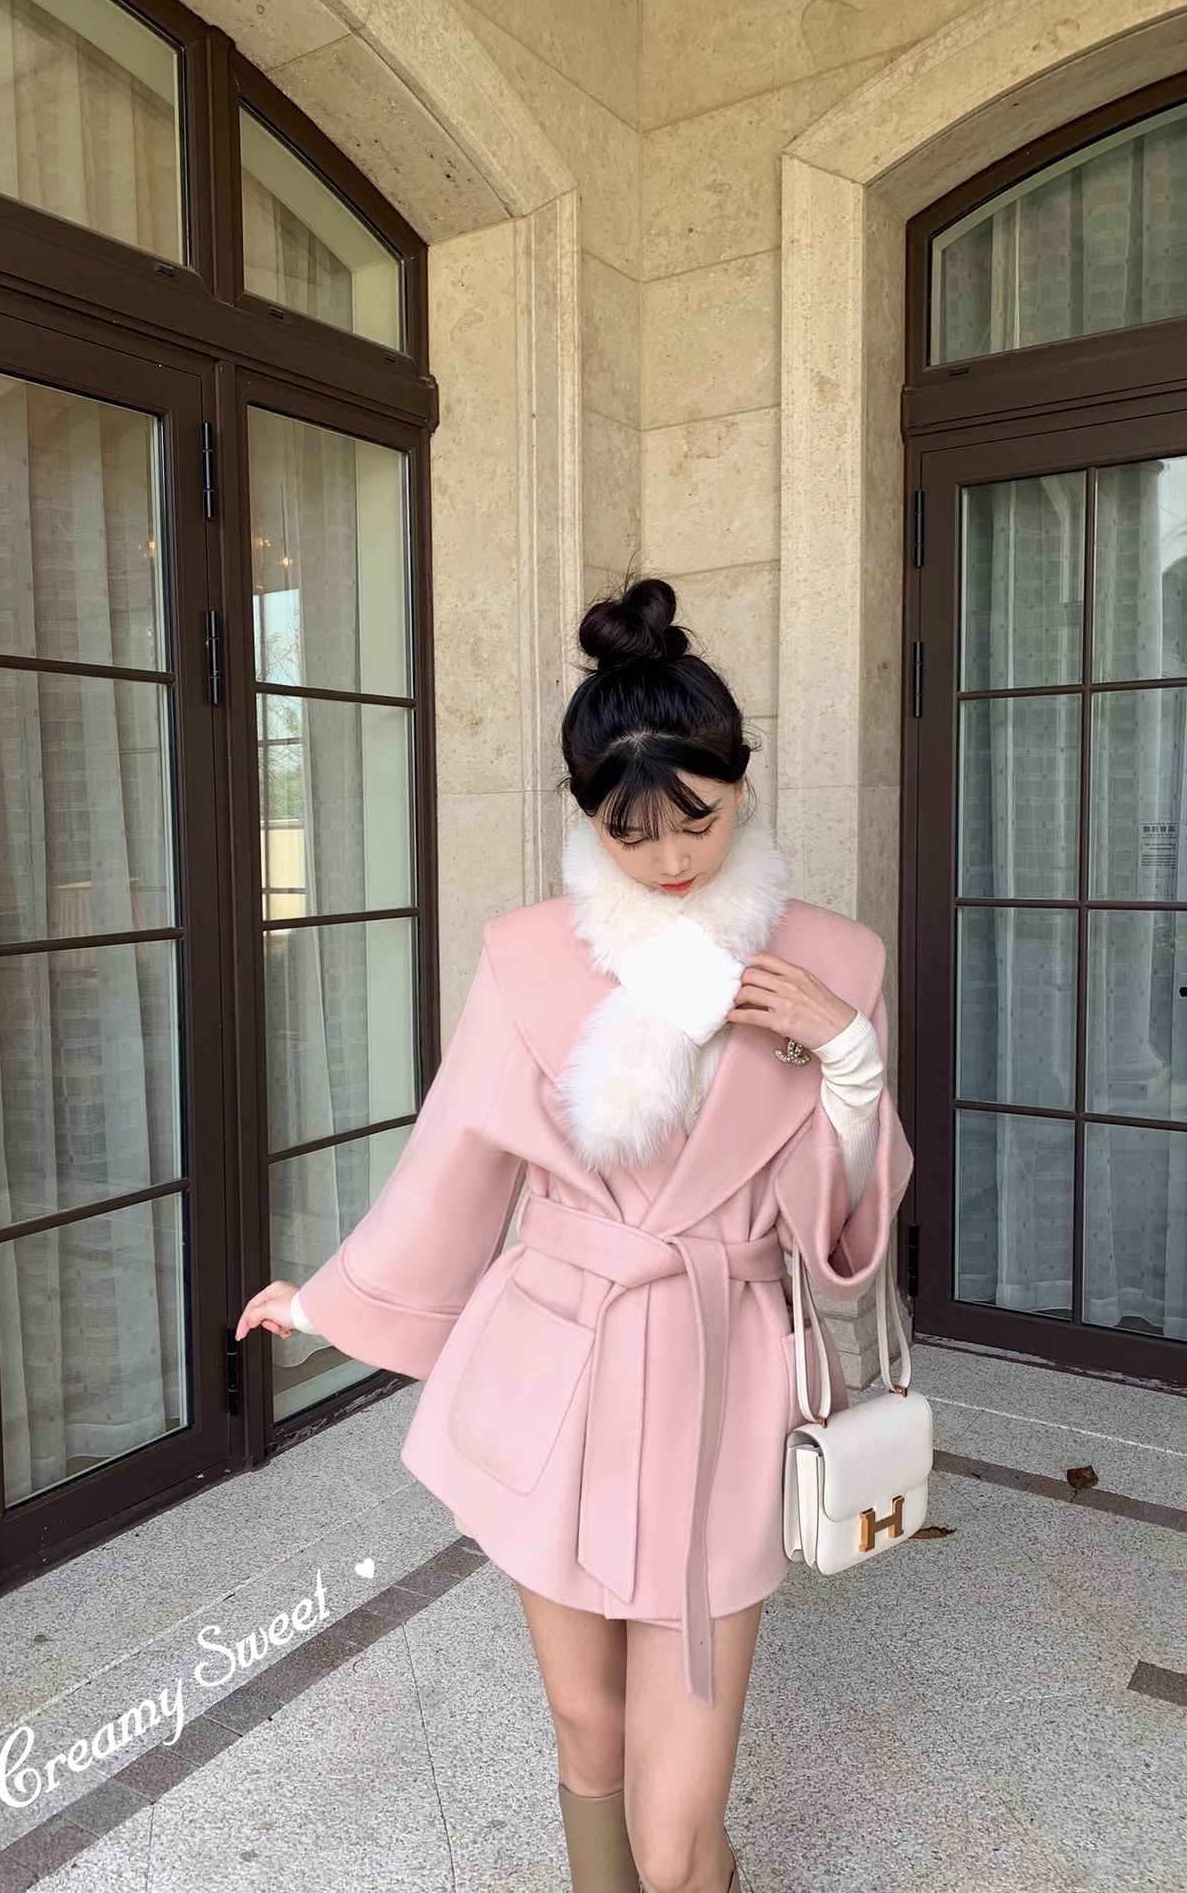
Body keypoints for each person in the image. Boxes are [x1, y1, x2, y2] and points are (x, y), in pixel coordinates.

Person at [235, 575, 914, 1893]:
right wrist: (328, 1299)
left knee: (677, 1835)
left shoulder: (829, 964)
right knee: (587, 1731)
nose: (669, 859)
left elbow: (845, 1234)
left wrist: (847, 1056)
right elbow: (455, 1157)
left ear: (742, 784)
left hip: (722, 1384)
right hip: (557, 1375)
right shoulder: (531, 957)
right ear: (586, 815)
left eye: (698, 819)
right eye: (629, 830)